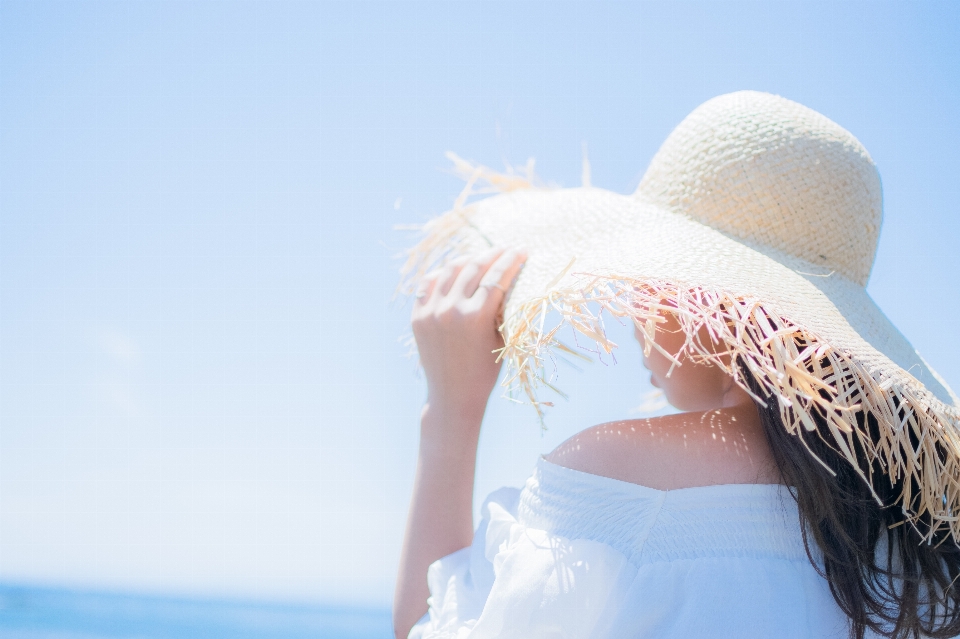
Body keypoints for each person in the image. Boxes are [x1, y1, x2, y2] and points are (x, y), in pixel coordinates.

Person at [392, 91, 960, 639]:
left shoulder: (617, 483)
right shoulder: (917, 550)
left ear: (701, 302)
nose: (631, 309)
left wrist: (449, 415)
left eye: (646, 278)